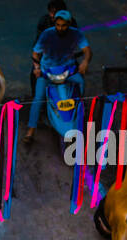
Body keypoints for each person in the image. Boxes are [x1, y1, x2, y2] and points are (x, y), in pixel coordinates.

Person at [23, 10, 90, 142]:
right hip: (47, 71)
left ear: (69, 24)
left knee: (80, 85)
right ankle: (30, 131)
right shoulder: (47, 34)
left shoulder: (76, 34)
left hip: (68, 69)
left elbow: (87, 51)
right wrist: (37, 68)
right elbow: (35, 53)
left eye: (64, 25)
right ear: (55, 23)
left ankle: (79, 117)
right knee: (38, 98)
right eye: (58, 25)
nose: (60, 28)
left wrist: (85, 62)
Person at [32, 0, 78, 91]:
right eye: (51, 12)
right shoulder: (44, 22)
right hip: (47, 56)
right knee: (35, 75)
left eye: (55, 12)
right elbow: (37, 45)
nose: (52, 15)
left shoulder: (71, 23)